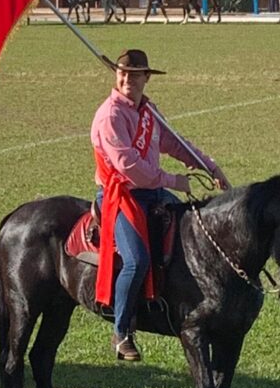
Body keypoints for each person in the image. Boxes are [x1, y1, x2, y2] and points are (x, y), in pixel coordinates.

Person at [91, 50, 229, 362]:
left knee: (192, 231)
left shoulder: (149, 113)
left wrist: (209, 167)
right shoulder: (110, 115)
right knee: (136, 260)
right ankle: (122, 331)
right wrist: (173, 180)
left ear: (146, 78)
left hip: (152, 192)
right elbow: (130, 167)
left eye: (135, 74)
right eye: (123, 73)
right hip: (121, 194)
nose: (127, 79)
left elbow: (175, 143)